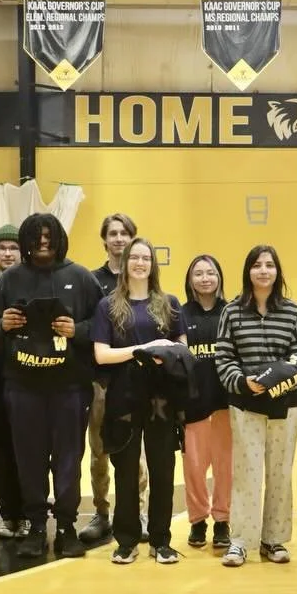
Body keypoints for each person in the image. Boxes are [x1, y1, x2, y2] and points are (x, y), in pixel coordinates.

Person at [0, 213, 103, 560]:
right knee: (29, 458)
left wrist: (77, 330)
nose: (42, 242)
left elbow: (103, 325)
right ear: (26, 240)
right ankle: (36, 526)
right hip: (22, 386)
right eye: (35, 237)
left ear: (59, 238)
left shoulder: (80, 277)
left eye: (48, 236)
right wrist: (2, 324)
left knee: (69, 458)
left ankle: (67, 525)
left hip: (70, 387)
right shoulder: (9, 279)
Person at [214, 245, 297, 568]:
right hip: (245, 402)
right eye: (257, 265)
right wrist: (244, 383)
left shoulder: (293, 311)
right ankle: (240, 541)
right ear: (248, 272)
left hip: (286, 403)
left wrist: (277, 377)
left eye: (269, 265)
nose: (264, 270)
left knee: (281, 472)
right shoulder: (231, 311)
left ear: (277, 271)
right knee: (246, 474)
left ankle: (274, 539)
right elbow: (224, 357)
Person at [93, 238, 186, 564]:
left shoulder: (169, 303)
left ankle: (161, 540)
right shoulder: (108, 305)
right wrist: (142, 350)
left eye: (146, 257)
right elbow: (102, 355)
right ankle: (127, 540)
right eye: (135, 257)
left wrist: (166, 352)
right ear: (126, 262)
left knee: (162, 469)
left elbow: (182, 350)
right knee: (126, 470)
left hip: (161, 396)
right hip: (123, 395)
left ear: (153, 264)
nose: (140, 262)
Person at [78, 212, 143, 545]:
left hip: (136, 381)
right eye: (113, 233)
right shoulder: (92, 281)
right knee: (99, 451)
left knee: (137, 450)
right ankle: (102, 513)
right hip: (101, 380)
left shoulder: (143, 279)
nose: (119, 238)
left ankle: (138, 512)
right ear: (104, 240)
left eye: (125, 233)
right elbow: (88, 328)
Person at [180, 254, 232, 551]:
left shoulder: (231, 312)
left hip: (225, 404)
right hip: (193, 404)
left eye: (210, 272)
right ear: (190, 280)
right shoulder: (181, 313)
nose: (204, 278)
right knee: (195, 468)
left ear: (219, 277)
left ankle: (222, 520)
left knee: (225, 467)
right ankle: (198, 520)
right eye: (198, 273)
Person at [0, 225, 26, 540]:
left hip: (28, 382)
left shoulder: (32, 286)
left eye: (13, 247)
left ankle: (28, 512)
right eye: (2, 248)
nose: (8, 253)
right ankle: (8, 513)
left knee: (29, 450)